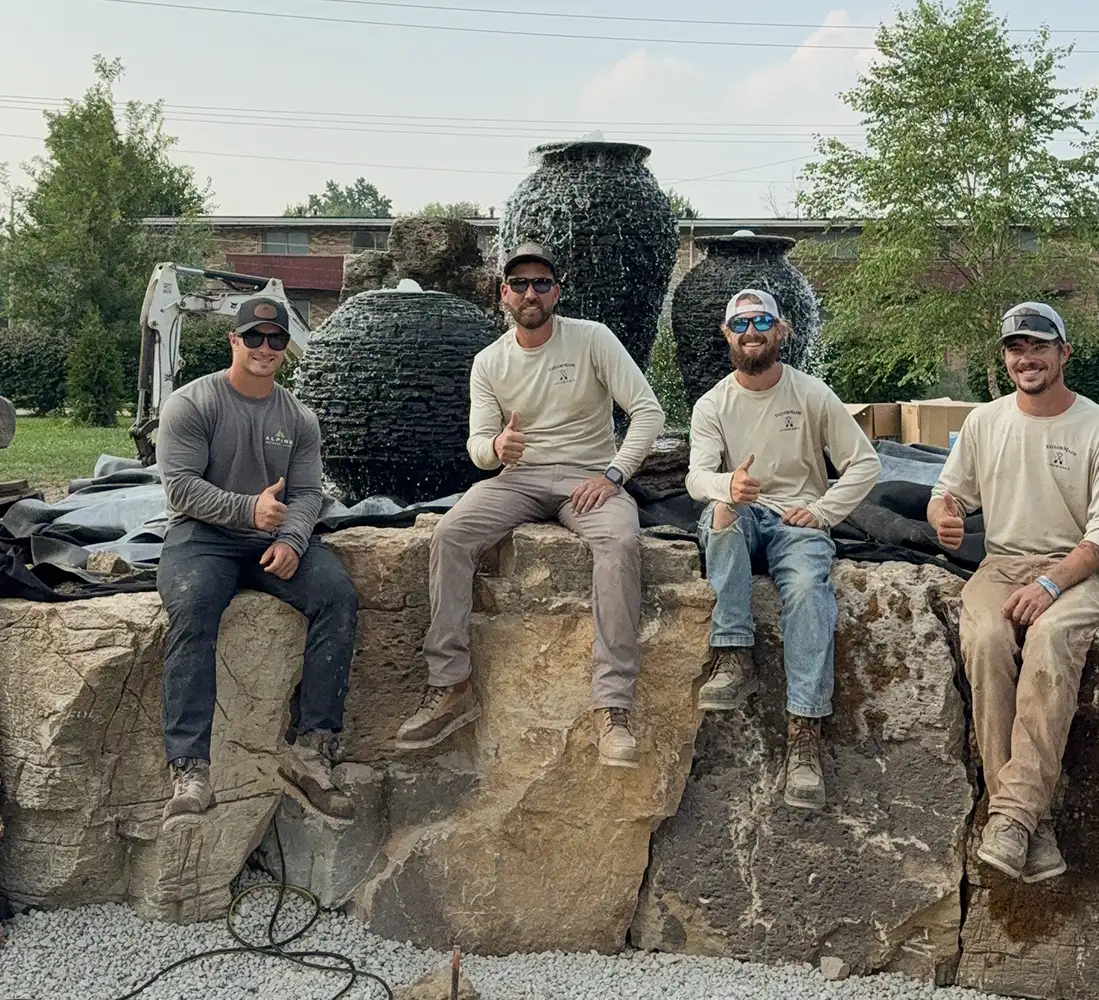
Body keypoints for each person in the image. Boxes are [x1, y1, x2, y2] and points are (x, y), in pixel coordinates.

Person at [395, 243, 666, 767]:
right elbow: (477, 446)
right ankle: (449, 685)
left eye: (542, 283)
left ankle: (612, 707)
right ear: (504, 295)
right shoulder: (489, 361)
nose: (530, 293)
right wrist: (497, 448)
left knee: (619, 544)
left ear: (557, 291)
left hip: (590, 477)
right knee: (450, 534)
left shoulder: (592, 339)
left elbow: (648, 411)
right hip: (519, 478)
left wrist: (614, 474)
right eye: (519, 284)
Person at [928, 301, 1099, 882]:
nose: (1027, 358)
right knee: (989, 640)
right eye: (1016, 348)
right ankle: (1025, 824)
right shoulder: (985, 423)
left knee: (1049, 639)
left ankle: (1009, 817)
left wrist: (1050, 583)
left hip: (1079, 572)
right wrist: (942, 514)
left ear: (1064, 353)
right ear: (1005, 358)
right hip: (1001, 564)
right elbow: (948, 494)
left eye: (1039, 346)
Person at [156, 296, 359, 827]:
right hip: (204, 537)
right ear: (234, 342)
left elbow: (310, 491)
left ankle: (312, 750)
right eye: (254, 338)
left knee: (336, 596)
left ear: (285, 349)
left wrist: (292, 539)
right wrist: (250, 509)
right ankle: (190, 768)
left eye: (275, 340)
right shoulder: (191, 405)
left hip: (271, 539)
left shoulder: (299, 417)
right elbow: (178, 488)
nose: (265, 348)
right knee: (193, 606)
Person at [684, 289, 881, 809]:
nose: (752, 331)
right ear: (728, 334)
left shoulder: (812, 394)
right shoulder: (713, 404)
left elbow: (864, 464)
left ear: (782, 330)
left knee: (807, 589)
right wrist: (728, 487)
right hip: (743, 509)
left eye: (763, 321)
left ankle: (804, 735)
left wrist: (822, 512)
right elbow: (696, 476)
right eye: (741, 323)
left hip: (797, 518)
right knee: (721, 520)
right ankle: (733, 654)